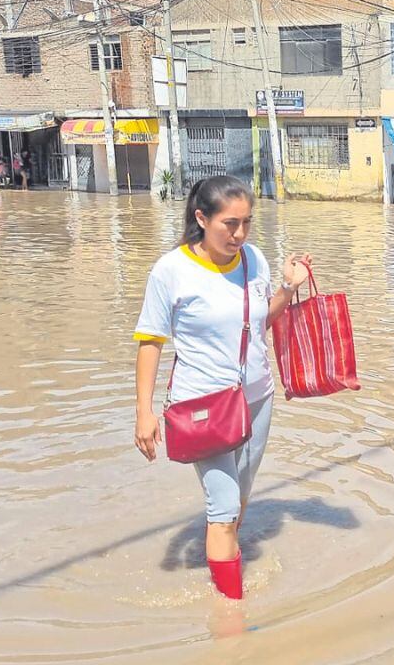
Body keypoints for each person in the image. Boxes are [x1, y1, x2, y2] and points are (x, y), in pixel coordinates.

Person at [133, 176, 313, 600]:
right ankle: (232, 617)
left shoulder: (253, 260)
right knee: (225, 507)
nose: (239, 234)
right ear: (201, 218)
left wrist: (289, 287)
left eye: (247, 222)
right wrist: (144, 411)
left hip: (257, 398)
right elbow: (150, 341)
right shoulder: (171, 271)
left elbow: (260, 322)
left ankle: (223, 559)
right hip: (203, 405)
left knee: (240, 500)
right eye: (229, 224)